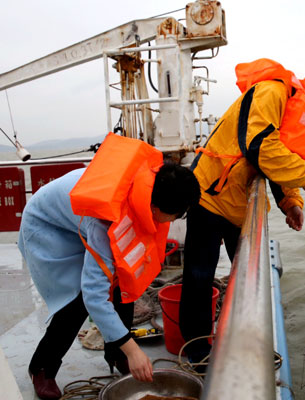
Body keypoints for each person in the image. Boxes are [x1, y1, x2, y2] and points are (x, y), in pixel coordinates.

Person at [179, 58, 305, 366]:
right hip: (210, 195)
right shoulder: (273, 93)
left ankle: (242, 341)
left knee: (248, 279)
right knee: (199, 277)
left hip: (240, 206)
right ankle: (196, 354)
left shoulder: (302, 112)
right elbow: (260, 147)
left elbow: (284, 156)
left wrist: (291, 203)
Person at [18, 136, 200, 400]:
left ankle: (116, 353)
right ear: (156, 208)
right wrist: (135, 351)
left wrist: (125, 347)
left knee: (125, 283)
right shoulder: (105, 221)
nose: (176, 220)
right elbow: (94, 296)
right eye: (177, 215)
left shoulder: (149, 188)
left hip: (75, 218)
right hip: (48, 227)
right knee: (77, 301)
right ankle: (42, 368)